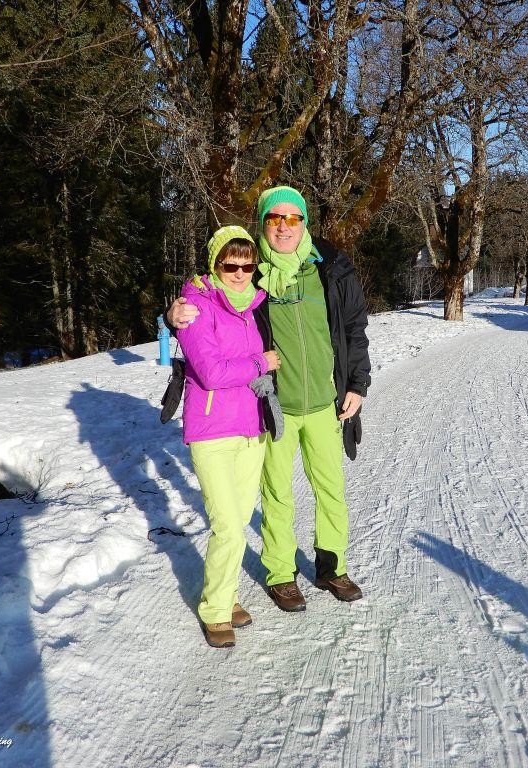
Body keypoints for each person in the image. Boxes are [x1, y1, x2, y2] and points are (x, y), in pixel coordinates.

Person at [168, 186, 370, 612]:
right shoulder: (249, 270)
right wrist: (171, 315)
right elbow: (208, 300)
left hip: (326, 401)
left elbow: (353, 330)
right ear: (263, 223)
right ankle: (281, 573)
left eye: (292, 218)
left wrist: (357, 385)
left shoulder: (330, 267)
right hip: (275, 405)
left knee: (331, 488)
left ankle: (332, 566)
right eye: (275, 219)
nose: (284, 227)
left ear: (304, 223)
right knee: (278, 492)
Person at [175, 225, 281, 648]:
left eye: (246, 264)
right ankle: (215, 610)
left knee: (237, 521)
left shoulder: (254, 303)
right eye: (229, 264)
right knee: (228, 528)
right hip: (212, 430)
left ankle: (228, 593)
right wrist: (261, 363)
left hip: (251, 429)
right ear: (215, 264)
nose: (239, 272)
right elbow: (212, 372)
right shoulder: (196, 306)